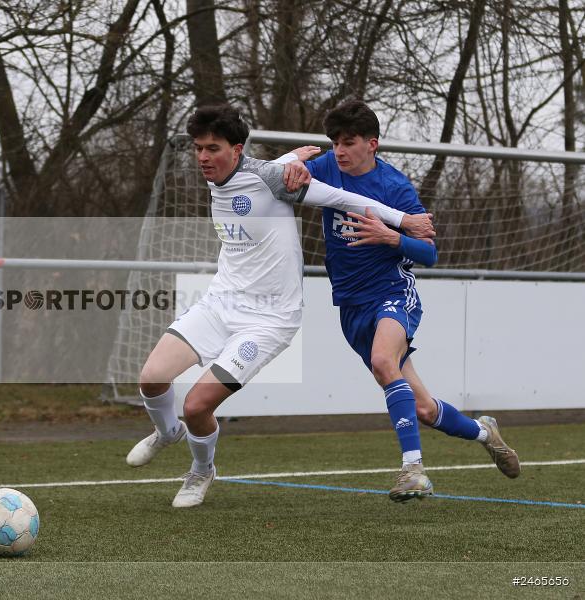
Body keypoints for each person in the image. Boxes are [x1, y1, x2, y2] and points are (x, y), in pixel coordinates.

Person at [125, 104, 435, 508]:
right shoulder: (226, 172)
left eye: (212, 148)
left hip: (268, 319)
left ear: (236, 149)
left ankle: (201, 471)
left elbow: (340, 195)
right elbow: (263, 166)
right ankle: (168, 432)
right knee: (151, 378)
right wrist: (292, 156)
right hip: (220, 303)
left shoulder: (272, 178)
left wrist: (404, 222)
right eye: (198, 148)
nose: (203, 157)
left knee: (196, 404)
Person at [281, 99, 519, 502]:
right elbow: (281, 181)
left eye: (349, 141)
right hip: (351, 305)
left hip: (392, 293)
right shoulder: (325, 168)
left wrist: (391, 236)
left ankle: (413, 470)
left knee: (382, 361)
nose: (339, 150)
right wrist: (290, 163)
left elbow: (429, 253)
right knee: (424, 409)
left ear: (372, 144)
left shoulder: (395, 187)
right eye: (335, 141)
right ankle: (485, 433)